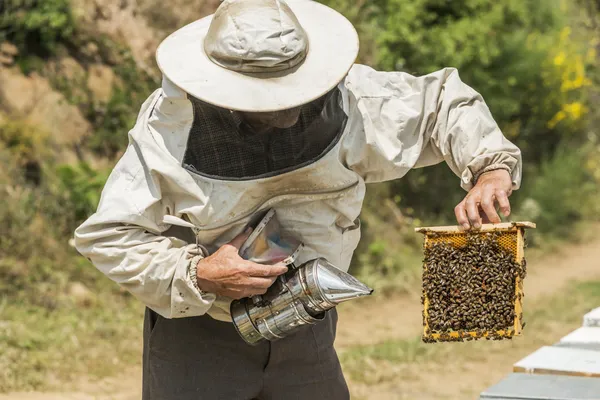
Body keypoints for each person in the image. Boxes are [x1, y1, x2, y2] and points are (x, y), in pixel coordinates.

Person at [74, 0, 522, 398]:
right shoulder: (170, 128)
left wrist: (490, 167)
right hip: (200, 336)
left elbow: (442, 102)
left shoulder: (353, 103)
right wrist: (198, 273)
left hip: (308, 322)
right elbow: (110, 235)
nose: (285, 112)